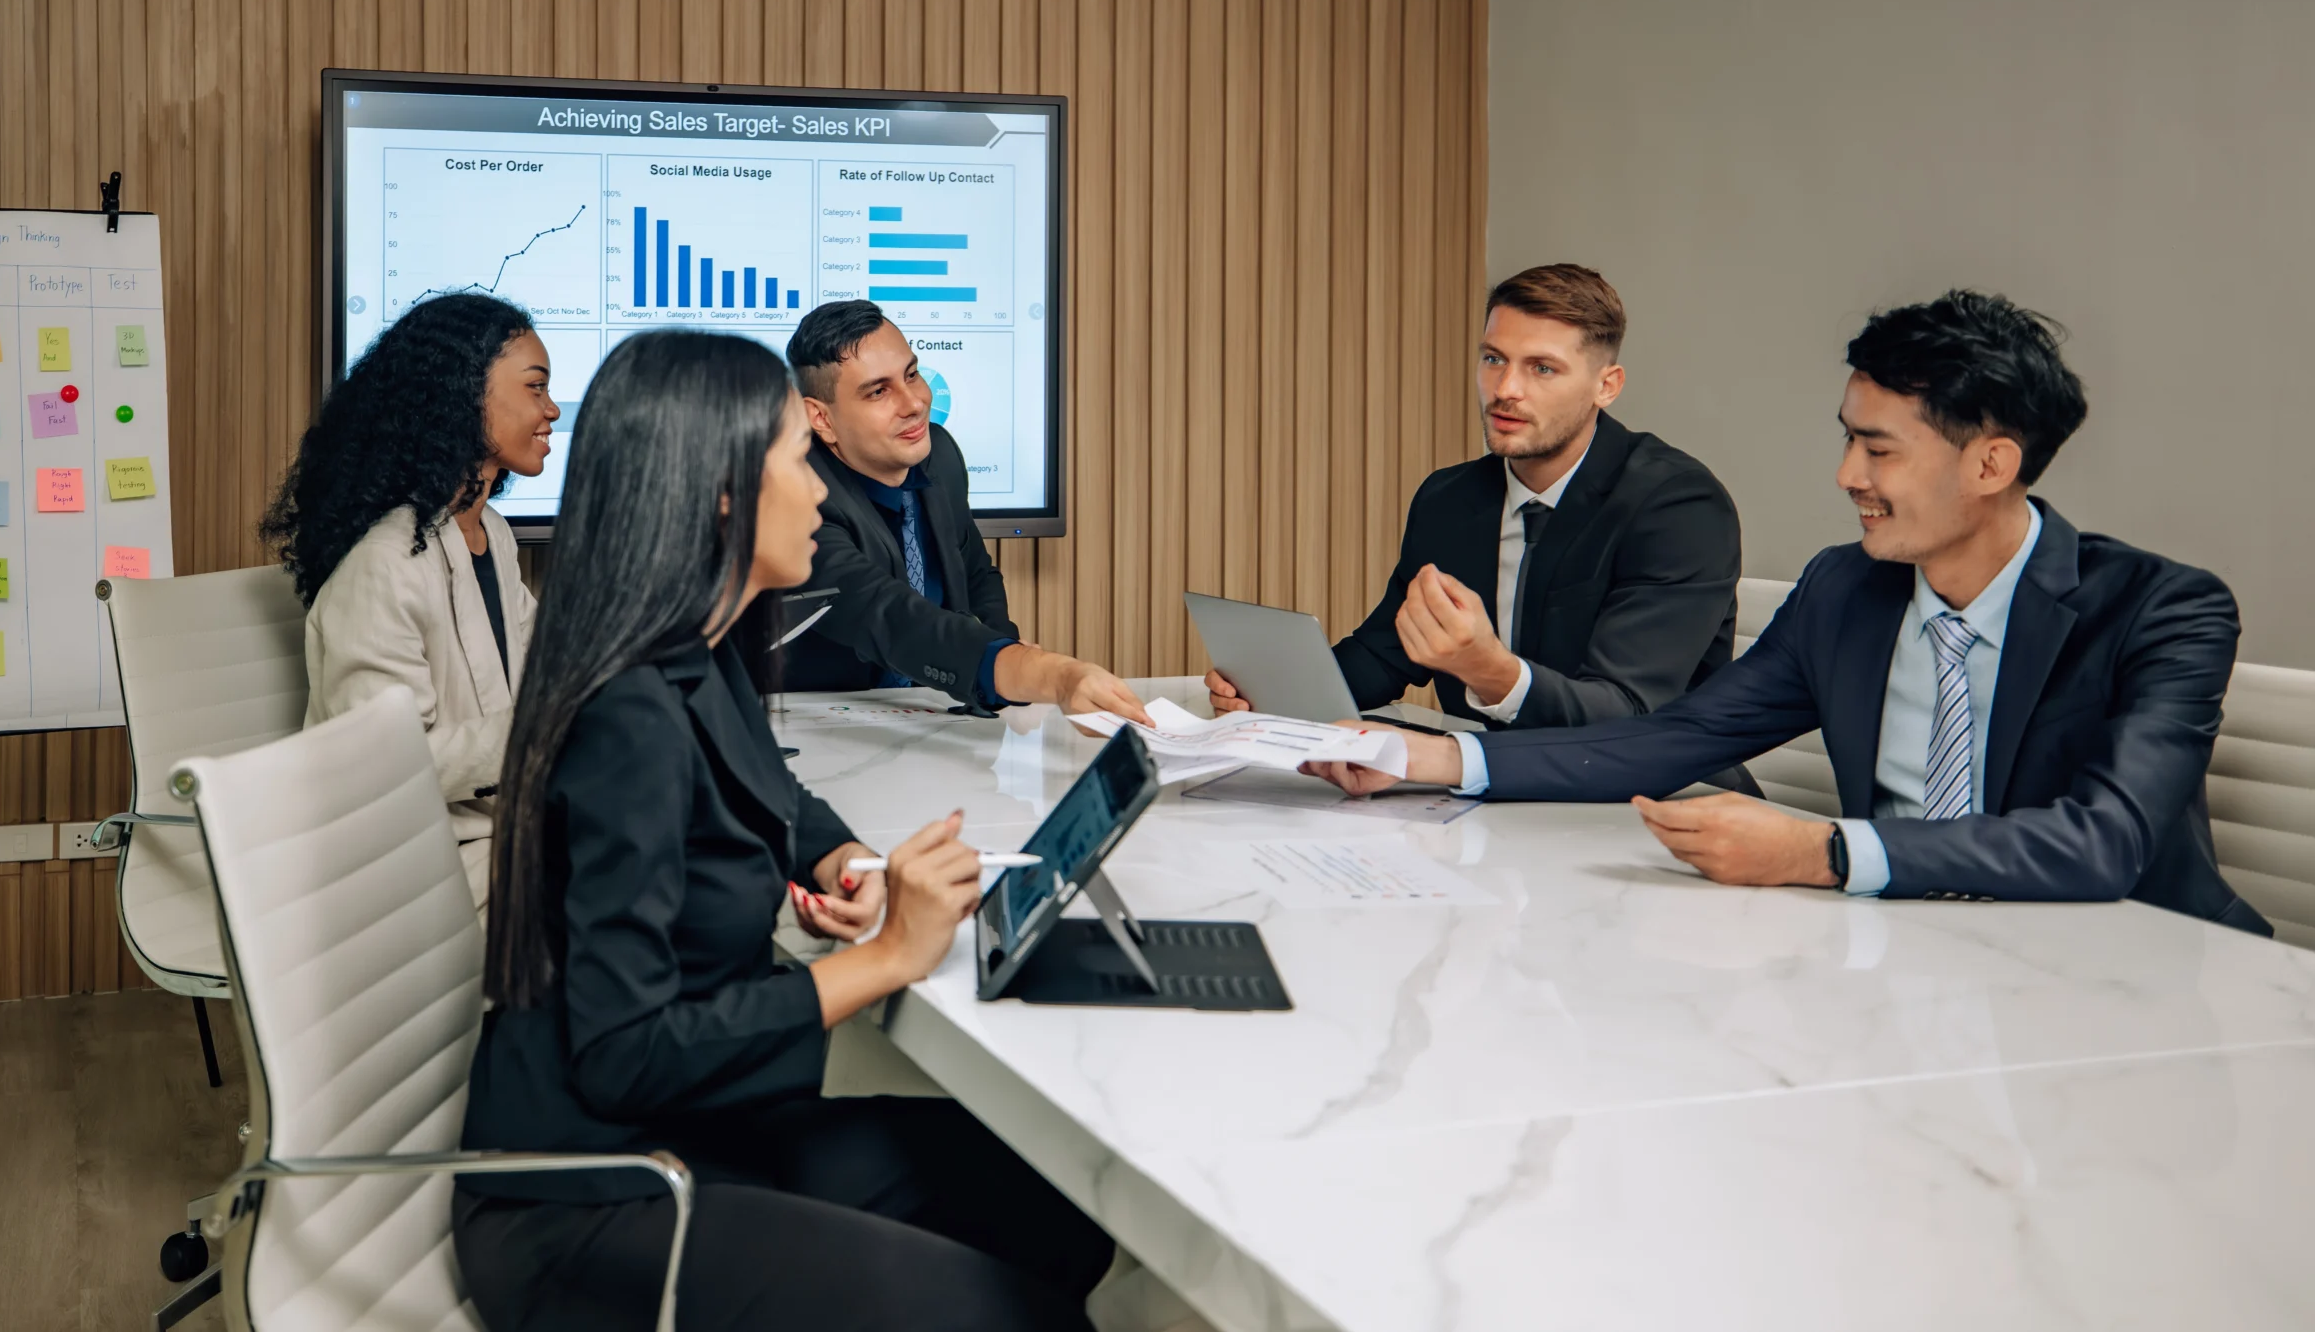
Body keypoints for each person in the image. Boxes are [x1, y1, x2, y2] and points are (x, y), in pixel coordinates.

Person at [456, 329, 1115, 1332]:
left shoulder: (702, 649)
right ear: (722, 491)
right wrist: (890, 954)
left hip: (698, 1131)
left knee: (1059, 1205)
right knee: (1012, 1309)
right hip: (592, 1198)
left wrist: (846, 860)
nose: (815, 489)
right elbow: (623, 1053)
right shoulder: (626, 715)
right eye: (789, 460)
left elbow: (782, 798)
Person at [1305, 290, 2270, 933]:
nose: (1847, 476)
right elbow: (1667, 739)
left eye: (1879, 451)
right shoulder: (1844, 590)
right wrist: (1431, 759)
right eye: (1848, 441)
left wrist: (1825, 850)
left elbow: (2103, 843)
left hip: (2142, 977)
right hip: (1906, 952)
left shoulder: (2161, 610)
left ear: (1991, 464)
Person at [1207, 264, 1748, 787]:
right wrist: (1274, 693)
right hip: (1490, 789)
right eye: (1493, 358)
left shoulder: (1678, 507)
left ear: (1606, 386)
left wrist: (1491, 671)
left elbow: (1628, 715)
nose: (1506, 388)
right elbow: (1385, 652)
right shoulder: (1450, 497)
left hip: (1661, 799)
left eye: (1542, 368)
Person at [260, 292, 556, 918]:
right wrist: (548, 729)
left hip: (495, 840)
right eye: (535, 388)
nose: (551, 409)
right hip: (412, 870)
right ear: (463, 396)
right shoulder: (383, 563)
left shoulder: (490, 533)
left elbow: (538, 669)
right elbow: (383, 764)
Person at [782, 298, 1148, 723]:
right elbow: (891, 617)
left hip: (935, 715)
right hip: (827, 728)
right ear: (821, 419)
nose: (915, 403)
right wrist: (1049, 675)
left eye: (912, 375)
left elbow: (976, 571)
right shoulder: (798, 498)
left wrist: (1006, 660)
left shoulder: (940, 455)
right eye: (879, 391)